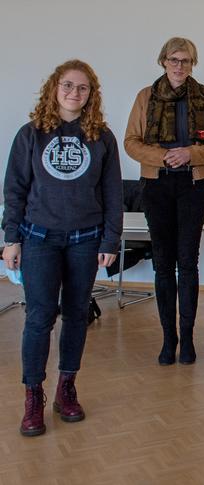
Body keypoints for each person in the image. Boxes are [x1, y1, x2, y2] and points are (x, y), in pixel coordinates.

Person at [2, 60, 123, 437]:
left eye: (83, 88)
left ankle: (66, 387)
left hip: (85, 240)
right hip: (38, 238)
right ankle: (33, 395)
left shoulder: (101, 137)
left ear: (91, 95)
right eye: (68, 85)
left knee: (75, 315)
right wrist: (10, 239)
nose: (74, 92)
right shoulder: (30, 134)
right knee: (39, 318)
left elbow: (112, 193)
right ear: (54, 88)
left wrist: (110, 240)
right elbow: (15, 190)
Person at [124, 37, 204, 366]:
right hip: (156, 187)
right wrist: (163, 156)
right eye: (174, 60)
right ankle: (169, 339)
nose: (180, 66)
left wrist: (190, 153)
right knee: (164, 264)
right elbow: (131, 142)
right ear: (163, 62)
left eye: (186, 61)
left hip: (193, 186)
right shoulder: (145, 97)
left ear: (193, 64)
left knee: (189, 262)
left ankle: (189, 338)